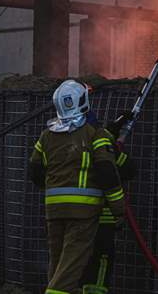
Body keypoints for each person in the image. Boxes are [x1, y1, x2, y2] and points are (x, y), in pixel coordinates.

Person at [28, 80, 126, 294]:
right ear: (83, 101)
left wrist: (58, 185)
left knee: (57, 266)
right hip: (83, 214)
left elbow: (34, 172)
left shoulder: (46, 136)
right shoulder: (94, 134)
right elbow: (107, 173)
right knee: (69, 271)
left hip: (54, 211)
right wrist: (119, 209)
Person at [80, 111, 136, 294]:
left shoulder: (60, 144)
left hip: (69, 219)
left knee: (72, 264)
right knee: (101, 260)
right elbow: (126, 170)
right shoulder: (102, 147)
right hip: (100, 218)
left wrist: (111, 132)